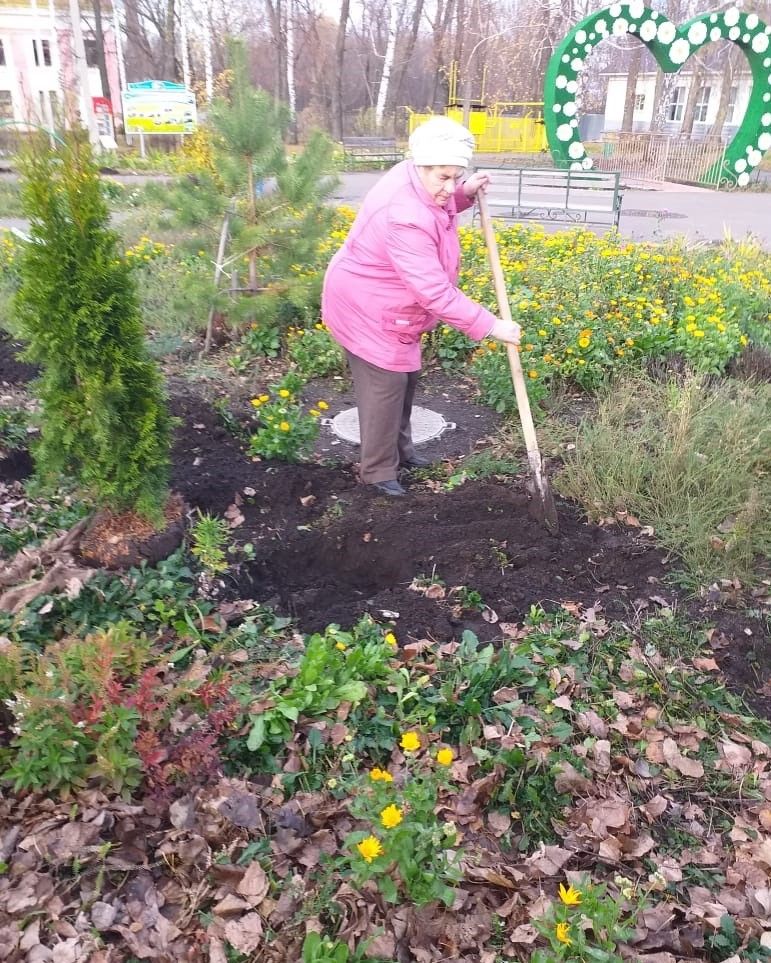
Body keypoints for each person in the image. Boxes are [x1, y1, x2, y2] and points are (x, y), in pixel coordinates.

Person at [321, 116, 521, 497]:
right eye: (443, 177)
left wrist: (463, 193)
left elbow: (438, 205)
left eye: (456, 175)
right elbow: (434, 291)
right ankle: (378, 473)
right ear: (421, 166)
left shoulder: (420, 181)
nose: (449, 185)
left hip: (391, 302)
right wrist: (491, 326)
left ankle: (400, 453)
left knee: (407, 377)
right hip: (365, 305)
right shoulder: (406, 215)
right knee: (386, 384)